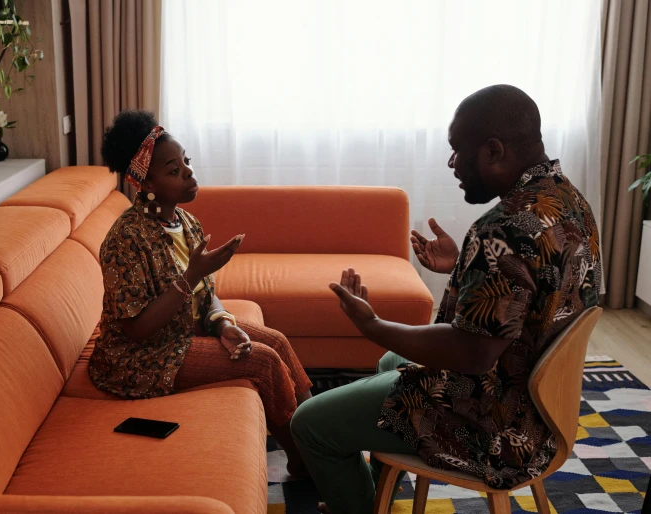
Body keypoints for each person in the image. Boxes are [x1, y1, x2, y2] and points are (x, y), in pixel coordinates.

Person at [291, 85, 602, 514]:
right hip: (543, 410)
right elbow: (532, 287)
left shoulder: (503, 229)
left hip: (495, 427)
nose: (452, 163)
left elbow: (471, 354)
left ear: (493, 150)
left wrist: (372, 325)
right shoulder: (567, 200)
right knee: (388, 363)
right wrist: (466, 267)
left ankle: (358, 508)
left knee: (309, 423)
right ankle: (376, 497)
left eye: (458, 151)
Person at [90, 110, 313, 476]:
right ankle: (306, 462)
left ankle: (322, 438)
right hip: (140, 357)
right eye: (173, 170)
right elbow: (136, 330)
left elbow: (207, 295)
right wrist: (191, 275)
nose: (189, 173)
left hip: (184, 333)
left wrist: (224, 324)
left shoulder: (185, 221)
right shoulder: (124, 240)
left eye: (186, 163)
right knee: (263, 361)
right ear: (145, 185)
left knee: (277, 342)